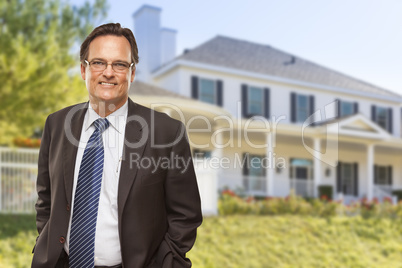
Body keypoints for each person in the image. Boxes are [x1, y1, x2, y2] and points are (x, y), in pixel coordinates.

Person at [31, 23, 202, 268]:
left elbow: (186, 215)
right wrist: (45, 244)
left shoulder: (166, 132)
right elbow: (46, 199)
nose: (108, 73)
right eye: (98, 62)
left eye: (120, 64)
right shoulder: (57, 124)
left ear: (131, 73)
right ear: (83, 69)